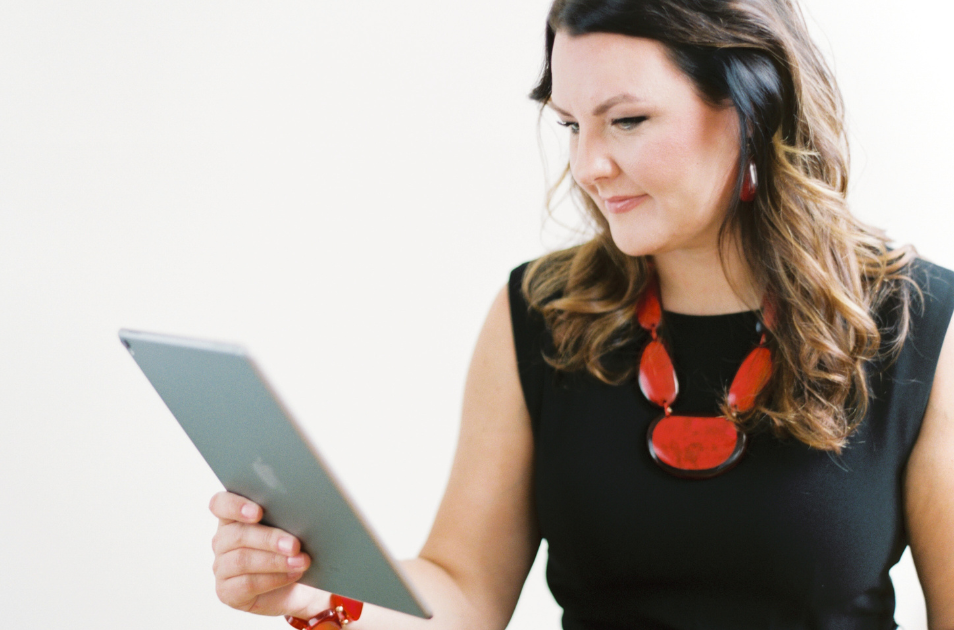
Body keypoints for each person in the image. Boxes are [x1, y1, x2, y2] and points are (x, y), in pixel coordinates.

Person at [207, 0, 954, 628]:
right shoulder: (538, 314)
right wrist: (315, 592)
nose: (588, 165)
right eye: (570, 124)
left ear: (753, 111)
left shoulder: (921, 323)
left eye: (626, 120)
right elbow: (463, 589)